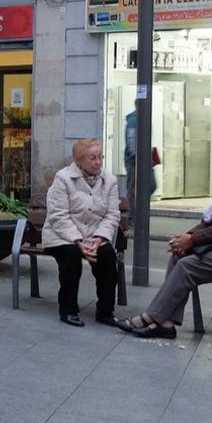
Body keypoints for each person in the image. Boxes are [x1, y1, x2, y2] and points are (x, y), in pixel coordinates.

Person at [118, 148, 212, 339]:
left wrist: (193, 239)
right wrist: (186, 237)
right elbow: (210, 222)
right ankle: (166, 323)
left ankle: (151, 316)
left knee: (187, 266)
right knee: (179, 256)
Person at [41, 139, 121, 328]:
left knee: (108, 255)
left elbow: (112, 215)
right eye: (92, 158)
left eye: (100, 157)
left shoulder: (109, 180)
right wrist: (78, 241)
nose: (98, 162)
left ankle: (106, 311)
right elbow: (58, 216)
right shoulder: (63, 178)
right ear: (79, 161)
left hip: (94, 236)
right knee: (71, 255)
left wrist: (99, 238)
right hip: (62, 236)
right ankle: (68, 310)